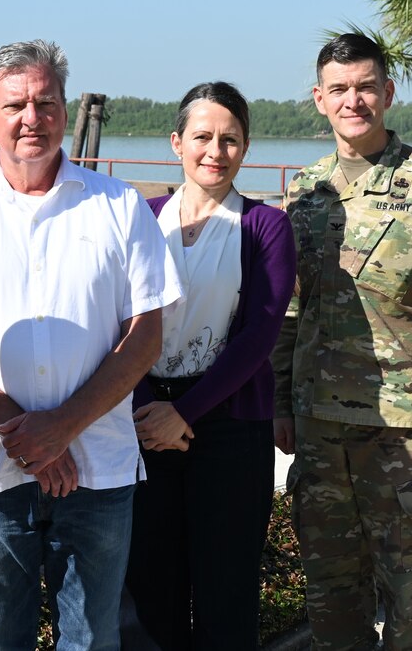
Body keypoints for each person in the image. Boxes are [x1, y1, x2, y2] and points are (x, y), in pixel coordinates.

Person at [0, 39, 180, 651]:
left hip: (100, 469)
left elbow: (145, 335)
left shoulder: (119, 206)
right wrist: (28, 435)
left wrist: (63, 428)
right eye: (15, 104)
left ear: (65, 112)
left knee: (95, 639)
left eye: (46, 102)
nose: (31, 118)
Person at [271, 33, 412, 650]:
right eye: (339, 90)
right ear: (319, 99)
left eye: (366, 87)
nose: (355, 101)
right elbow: (293, 307)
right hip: (319, 428)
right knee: (331, 595)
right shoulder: (305, 191)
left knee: (409, 601)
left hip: (406, 432)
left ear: (388, 93)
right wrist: (281, 402)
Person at [120, 82, 297, 650]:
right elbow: (122, 321)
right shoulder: (142, 219)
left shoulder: (265, 227)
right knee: (147, 593)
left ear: (245, 148)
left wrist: (185, 413)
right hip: (144, 422)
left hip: (230, 429)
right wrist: (151, 406)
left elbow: (258, 336)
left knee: (226, 595)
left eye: (230, 139)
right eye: (202, 137)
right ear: (177, 143)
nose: (215, 152)